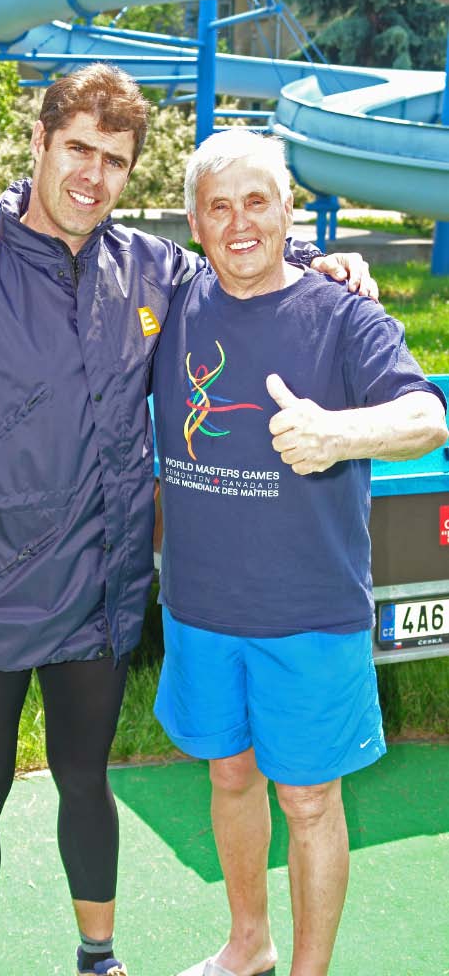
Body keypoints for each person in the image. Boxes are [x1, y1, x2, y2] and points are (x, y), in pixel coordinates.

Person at [0, 65, 377, 976]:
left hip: (98, 596)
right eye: (78, 149)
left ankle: (99, 958)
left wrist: (320, 262)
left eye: (115, 160)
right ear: (40, 143)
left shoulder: (150, 270)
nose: (93, 175)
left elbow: (241, 262)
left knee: (87, 782)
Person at [145, 129, 447, 976]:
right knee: (230, 777)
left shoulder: (345, 314)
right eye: (219, 207)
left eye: (258, 202)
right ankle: (249, 945)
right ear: (196, 224)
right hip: (201, 608)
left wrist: (338, 434)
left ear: (288, 210)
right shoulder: (172, 306)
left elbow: (427, 417)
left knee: (310, 801)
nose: (240, 223)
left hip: (310, 612)